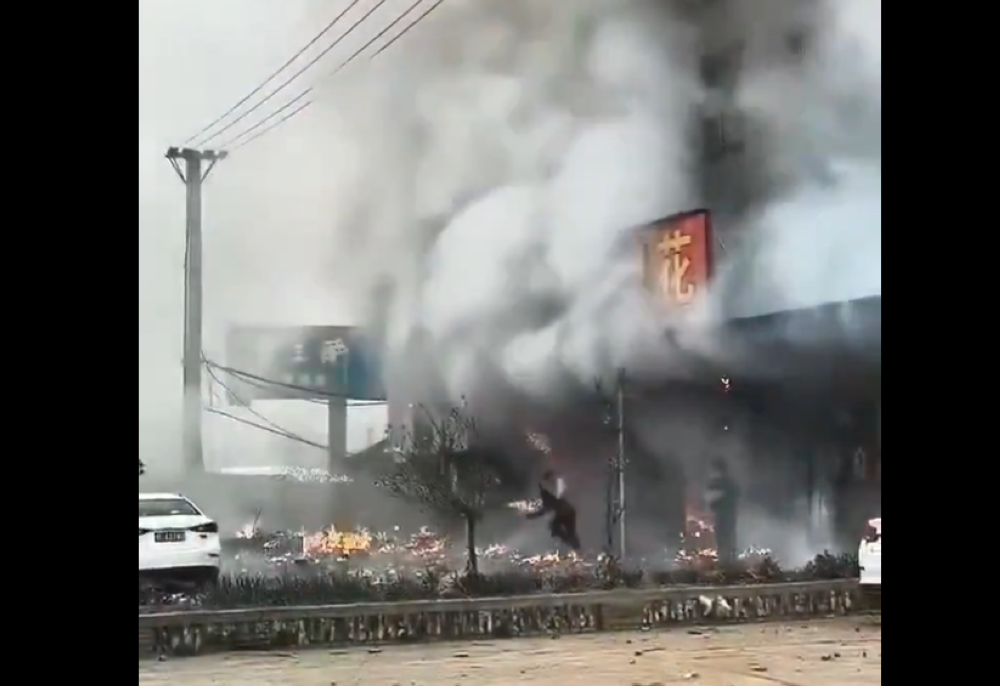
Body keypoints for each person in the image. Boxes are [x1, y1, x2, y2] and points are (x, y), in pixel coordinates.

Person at [526, 470, 581, 550]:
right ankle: (575, 546)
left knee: (555, 527)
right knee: (567, 531)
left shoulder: (548, 495)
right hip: (568, 512)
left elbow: (545, 510)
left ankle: (573, 545)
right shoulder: (550, 493)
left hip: (566, 513)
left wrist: (532, 516)